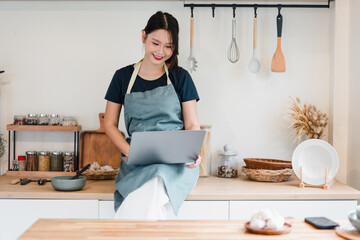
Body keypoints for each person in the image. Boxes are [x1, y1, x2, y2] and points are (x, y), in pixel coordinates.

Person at [104, 11, 201, 220]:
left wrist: (193, 151)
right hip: (136, 161)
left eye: (169, 46)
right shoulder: (122, 77)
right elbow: (109, 124)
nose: (161, 52)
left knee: (156, 180)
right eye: (155, 43)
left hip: (176, 163)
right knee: (151, 189)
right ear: (143, 36)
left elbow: (192, 123)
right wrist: (129, 152)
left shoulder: (180, 77)